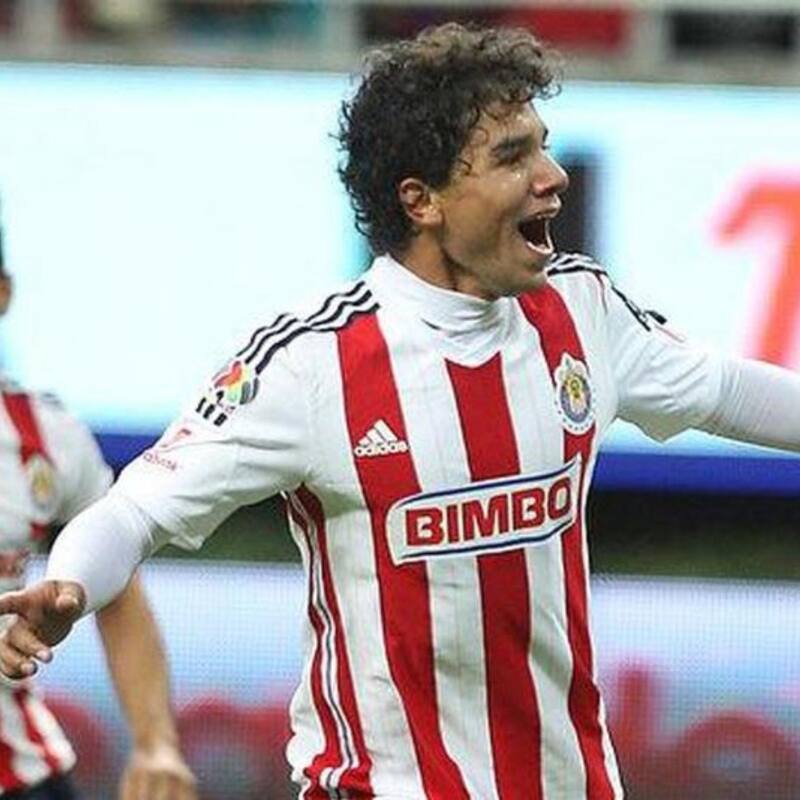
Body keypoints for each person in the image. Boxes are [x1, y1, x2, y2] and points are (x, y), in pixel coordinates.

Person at [0, 22, 798, 800]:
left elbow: (728, 392)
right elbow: (134, 510)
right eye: (512, 156)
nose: (553, 176)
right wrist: (68, 586)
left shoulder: (580, 311)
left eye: (543, 145)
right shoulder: (311, 364)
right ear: (422, 200)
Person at [0, 229, 197, 799]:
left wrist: (155, 742)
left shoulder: (47, 437)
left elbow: (116, 588)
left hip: (21, 773)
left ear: (3, 293)